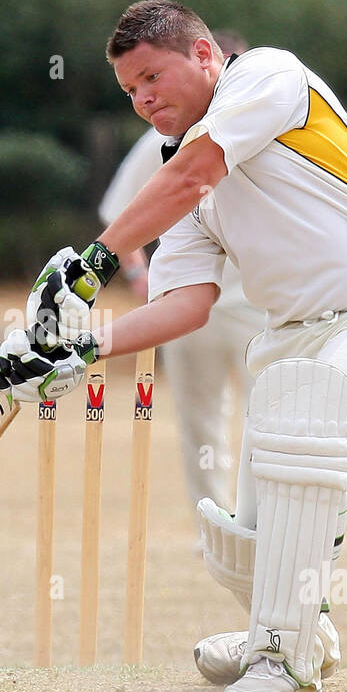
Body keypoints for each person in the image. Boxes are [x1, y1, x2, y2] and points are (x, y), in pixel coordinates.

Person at [0, 0, 347, 692]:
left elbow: (194, 176)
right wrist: (78, 351)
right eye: (130, 91)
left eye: (153, 76)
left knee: (307, 423)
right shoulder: (177, 167)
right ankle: (300, 632)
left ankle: (281, 654)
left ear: (205, 54)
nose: (144, 99)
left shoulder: (269, 77)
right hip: (296, 339)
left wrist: (91, 265)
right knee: (241, 537)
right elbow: (185, 304)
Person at [97, 30, 265, 517]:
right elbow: (118, 211)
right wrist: (136, 274)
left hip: (259, 307)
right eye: (135, 88)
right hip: (186, 302)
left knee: (269, 419)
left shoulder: (268, 116)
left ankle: (262, 525)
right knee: (200, 422)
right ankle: (211, 523)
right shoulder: (163, 138)